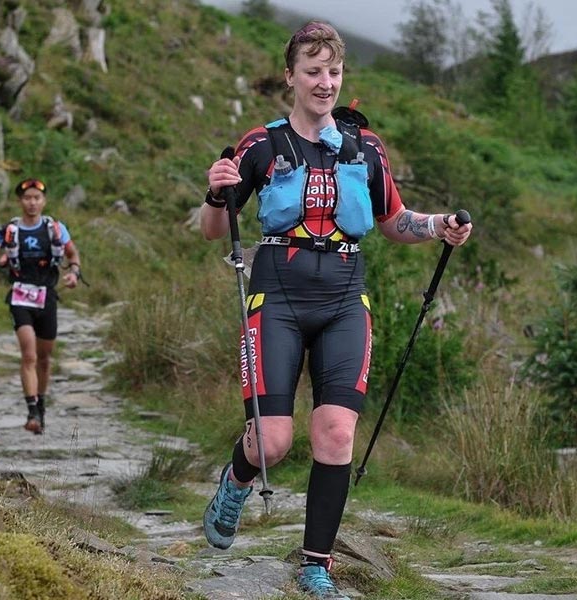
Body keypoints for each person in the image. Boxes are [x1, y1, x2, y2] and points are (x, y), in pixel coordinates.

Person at [199, 21, 472, 600]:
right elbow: (214, 229)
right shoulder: (261, 145)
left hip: (346, 296)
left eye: (333, 72)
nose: (325, 82)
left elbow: (393, 221)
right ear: (291, 77)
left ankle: (316, 566)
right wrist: (214, 190)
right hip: (278, 294)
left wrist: (437, 226)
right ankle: (237, 478)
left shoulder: (365, 149)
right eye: (313, 72)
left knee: (335, 433)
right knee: (272, 441)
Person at [0, 178, 81, 435]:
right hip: (19, 296)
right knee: (29, 355)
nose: (32, 202)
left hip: (46, 296)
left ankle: (42, 404)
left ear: (43, 201)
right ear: (20, 201)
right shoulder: (10, 230)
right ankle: (32, 411)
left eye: (37, 198)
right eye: (28, 198)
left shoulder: (55, 228)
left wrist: (74, 273)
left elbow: (72, 254)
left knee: (45, 359)